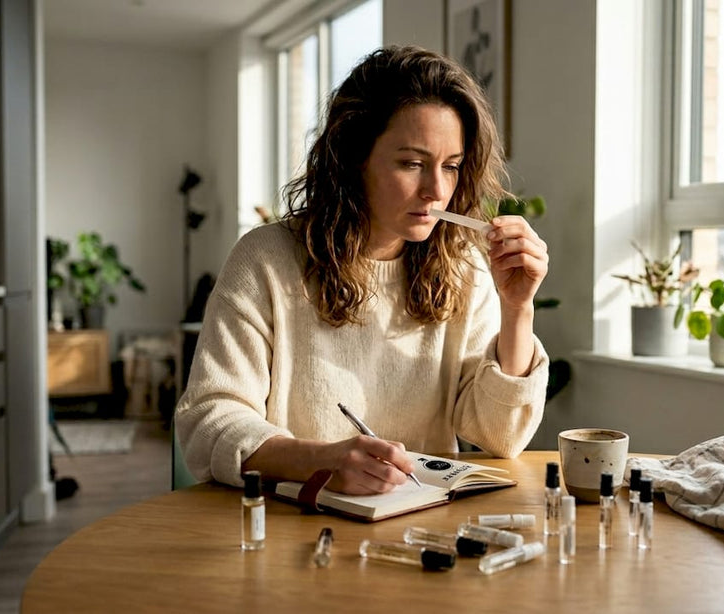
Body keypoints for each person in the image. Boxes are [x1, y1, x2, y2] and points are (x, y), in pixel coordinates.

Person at [174, 45, 550, 495]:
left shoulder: (465, 268)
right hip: (292, 527)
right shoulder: (267, 259)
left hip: (421, 526)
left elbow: (500, 436)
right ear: (355, 156)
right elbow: (209, 418)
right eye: (412, 163)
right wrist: (322, 461)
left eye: (450, 167)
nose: (436, 190)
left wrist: (518, 308)